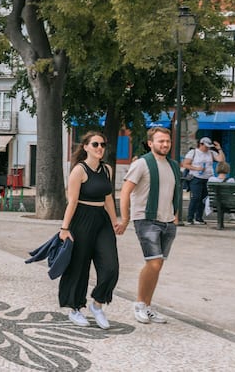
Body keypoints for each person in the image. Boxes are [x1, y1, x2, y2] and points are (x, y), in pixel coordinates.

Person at [115, 126, 181, 325]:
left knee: (157, 265)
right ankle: (139, 304)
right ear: (150, 143)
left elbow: (174, 192)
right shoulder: (142, 164)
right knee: (154, 263)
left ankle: (147, 305)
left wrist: (175, 216)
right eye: (161, 141)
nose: (165, 144)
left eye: (167, 141)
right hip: (146, 219)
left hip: (168, 221)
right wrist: (125, 219)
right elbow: (125, 191)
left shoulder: (173, 165)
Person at [57, 132, 119, 329]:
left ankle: (97, 305)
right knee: (79, 266)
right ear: (85, 147)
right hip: (81, 219)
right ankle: (74, 308)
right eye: (95, 144)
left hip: (102, 221)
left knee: (111, 267)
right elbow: (72, 201)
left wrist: (115, 221)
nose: (100, 148)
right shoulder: (79, 170)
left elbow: (108, 198)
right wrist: (64, 228)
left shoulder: (107, 169)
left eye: (103, 144)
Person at [182, 137, 225, 225]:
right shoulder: (193, 152)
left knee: (203, 198)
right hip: (196, 177)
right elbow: (185, 164)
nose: (207, 148)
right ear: (200, 144)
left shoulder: (211, 153)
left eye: (209, 147)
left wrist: (219, 149)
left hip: (207, 178)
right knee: (196, 197)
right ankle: (190, 218)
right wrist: (196, 168)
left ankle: (199, 217)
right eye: (206, 146)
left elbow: (221, 160)